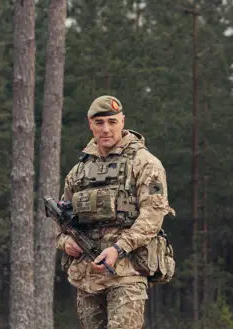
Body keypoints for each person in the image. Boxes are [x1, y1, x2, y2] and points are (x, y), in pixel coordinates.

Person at [56, 95, 175, 329]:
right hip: (87, 277)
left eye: (112, 122)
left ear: (122, 121)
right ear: (90, 124)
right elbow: (61, 222)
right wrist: (65, 242)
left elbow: (152, 216)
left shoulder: (144, 163)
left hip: (127, 272)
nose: (106, 129)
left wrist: (119, 248)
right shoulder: (78, 172)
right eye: (99, 123)